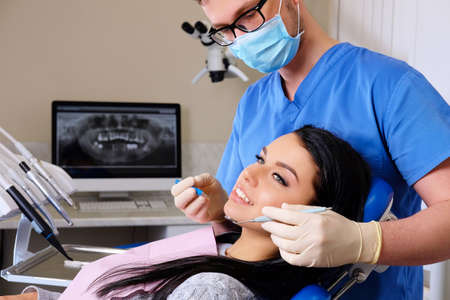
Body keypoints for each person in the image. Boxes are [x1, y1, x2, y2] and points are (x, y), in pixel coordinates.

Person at [176, 0, 450, 299]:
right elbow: (249, 229)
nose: (239, 37)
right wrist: (218, 212)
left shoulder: (389, 85)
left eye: (247, 16)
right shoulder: (254, 102)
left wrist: (364, 241)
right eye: (224, 30)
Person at [2, 126, 373, 300]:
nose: (249, 173)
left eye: (278, 177)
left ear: (315, 218)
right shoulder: (224, 247)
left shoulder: (214, 290)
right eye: (261, 159)